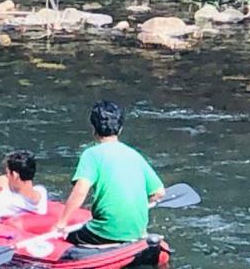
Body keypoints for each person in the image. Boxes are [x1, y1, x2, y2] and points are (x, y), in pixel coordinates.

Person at [52, 100, 165, 244]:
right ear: (120, 129)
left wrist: (62, 223)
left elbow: (80, 191)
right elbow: (159, 192)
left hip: (105, 233)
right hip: (137, 231)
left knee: (68, 238)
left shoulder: (91, 154)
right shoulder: (134, 155)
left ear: (94, 129)